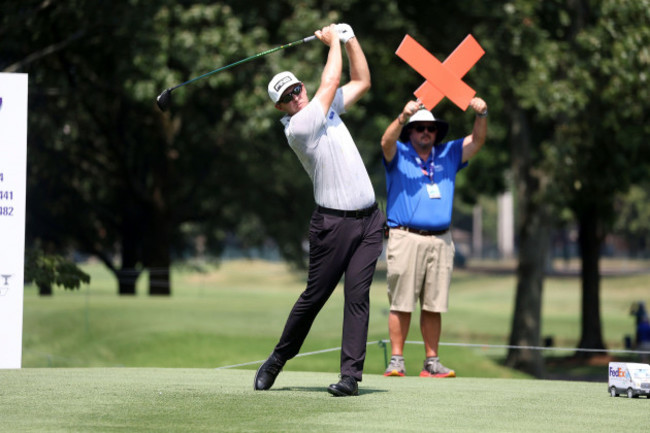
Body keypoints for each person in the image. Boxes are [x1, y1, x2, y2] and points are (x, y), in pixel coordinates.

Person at [254, 23, 384, 397]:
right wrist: (333, 44)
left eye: (296, 88)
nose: (295, 96)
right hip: (333, 226)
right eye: (287, 96)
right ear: (280, 107)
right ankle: (279, 358)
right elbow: (332, 81)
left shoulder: (324, 109)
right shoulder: (299, 127)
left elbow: (362, 81)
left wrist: (352, 36)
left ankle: (350, 378)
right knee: (314, 297)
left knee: (357, 297)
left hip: (370, 222)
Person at [380, 97, 488, 377]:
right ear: (410, 132)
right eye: (419, 128)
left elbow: (476, 142)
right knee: (401, 302)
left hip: (441, 239)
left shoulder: (448, 153)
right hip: (406, 236)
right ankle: (397, 361)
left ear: (436, 132)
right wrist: (403, 116)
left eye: (430, 127)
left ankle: (431, 362)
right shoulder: (399, 152)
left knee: (434, 304)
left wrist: (482, 114)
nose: (425, 132)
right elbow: (385, 143)